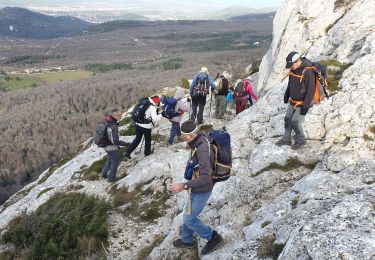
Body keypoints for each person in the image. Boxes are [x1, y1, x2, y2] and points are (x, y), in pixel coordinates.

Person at [170, 120, 224, 255]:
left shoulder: (202, 148)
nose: (183, 138)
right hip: (195, 186)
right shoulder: (197, 141)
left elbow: (206, 177)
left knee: (189, 218)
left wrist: (183, 186)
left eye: (183, 136)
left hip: (202, 189)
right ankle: (187, 240)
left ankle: (213, 238)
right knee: (187, 214)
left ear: (190, 135)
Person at [276, 51, 316, 149]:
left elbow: (310, 91)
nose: (291, 67)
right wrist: (287, 95)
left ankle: (301, 140)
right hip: (293, 100)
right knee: (287, 119)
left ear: (297, 61)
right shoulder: (293, 70)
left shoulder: (308, 71)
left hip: (303, 102)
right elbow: (290, 84)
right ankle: (286, 139)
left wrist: (305, 106)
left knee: (295, 121)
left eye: (292, 64)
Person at [100, 108, 131, 182]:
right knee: (115, 161)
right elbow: (115, 141)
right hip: (111, 146)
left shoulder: (106, 120)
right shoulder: (113, 126)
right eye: (119, 115)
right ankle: (111, 178)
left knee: (110, 159)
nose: (121, 116)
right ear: (115, 115)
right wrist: (126, 144)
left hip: (104, 143)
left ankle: (103, 173)